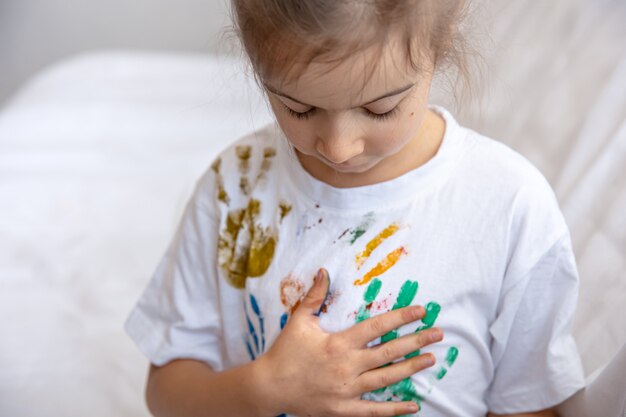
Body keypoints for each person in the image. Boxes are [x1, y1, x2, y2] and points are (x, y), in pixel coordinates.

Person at [124, 1, 587, 416]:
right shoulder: (236, 187)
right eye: (298, 108)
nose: (339, 148)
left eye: (380, 108)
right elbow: (166, 392)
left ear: (442, 41)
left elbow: (530, 402)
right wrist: (266, 388)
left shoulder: (508, 206)